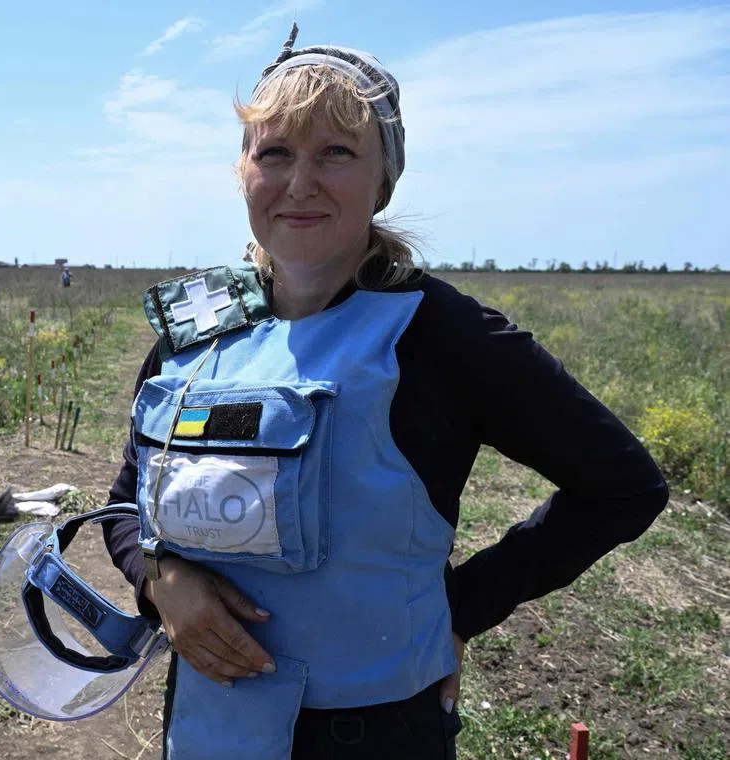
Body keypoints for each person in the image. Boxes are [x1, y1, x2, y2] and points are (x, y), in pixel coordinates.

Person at [100, 23, 669, 760]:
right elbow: (125, 500)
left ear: (384, 178)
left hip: (374, 734)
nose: (300, 183)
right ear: (242, 169)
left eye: (336, 153)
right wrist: (161, 579)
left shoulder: (440, 334)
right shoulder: (198, 332)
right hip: (210, 727)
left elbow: (624, 486)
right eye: (275, 152)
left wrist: (459, 609)